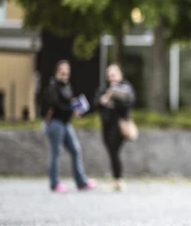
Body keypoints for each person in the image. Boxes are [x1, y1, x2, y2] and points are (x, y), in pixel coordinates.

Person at [44, 60, 97, 193]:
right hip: (55, 123)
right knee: (56, 153)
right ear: (57, 72)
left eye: (67, 72)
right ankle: (54, 183)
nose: (65, 75)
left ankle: (81, 182)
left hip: (65, 123)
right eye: (62, 72)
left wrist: (76, 107)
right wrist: (71, 109)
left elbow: (68, 102)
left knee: (75, 150)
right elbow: (55, 104)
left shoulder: (66, 86)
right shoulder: (53, 87)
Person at [95, 63, 136, 192]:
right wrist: (103, 100)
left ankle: (118, 179)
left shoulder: (126, 87)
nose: (111, 77)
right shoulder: (104, 88)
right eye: (109, 75)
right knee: (111, 151)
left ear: (120, 74)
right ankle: (116, 179)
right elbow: (96, 104)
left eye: (114, 74)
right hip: (106, 124)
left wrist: (116, 97)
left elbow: (129, 103)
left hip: (119, 124)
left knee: (114, 150)